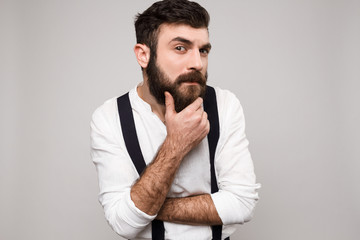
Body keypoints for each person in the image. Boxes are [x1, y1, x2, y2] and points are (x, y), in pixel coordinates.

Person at [91, 0, 260, 239]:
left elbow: (242, 203)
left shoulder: (224, 104)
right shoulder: (109, 118)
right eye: (181, 48)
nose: (197, 63)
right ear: (143, 55)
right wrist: (175, 144)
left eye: (203, 50)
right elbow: (124, 224)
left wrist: (148, 209)